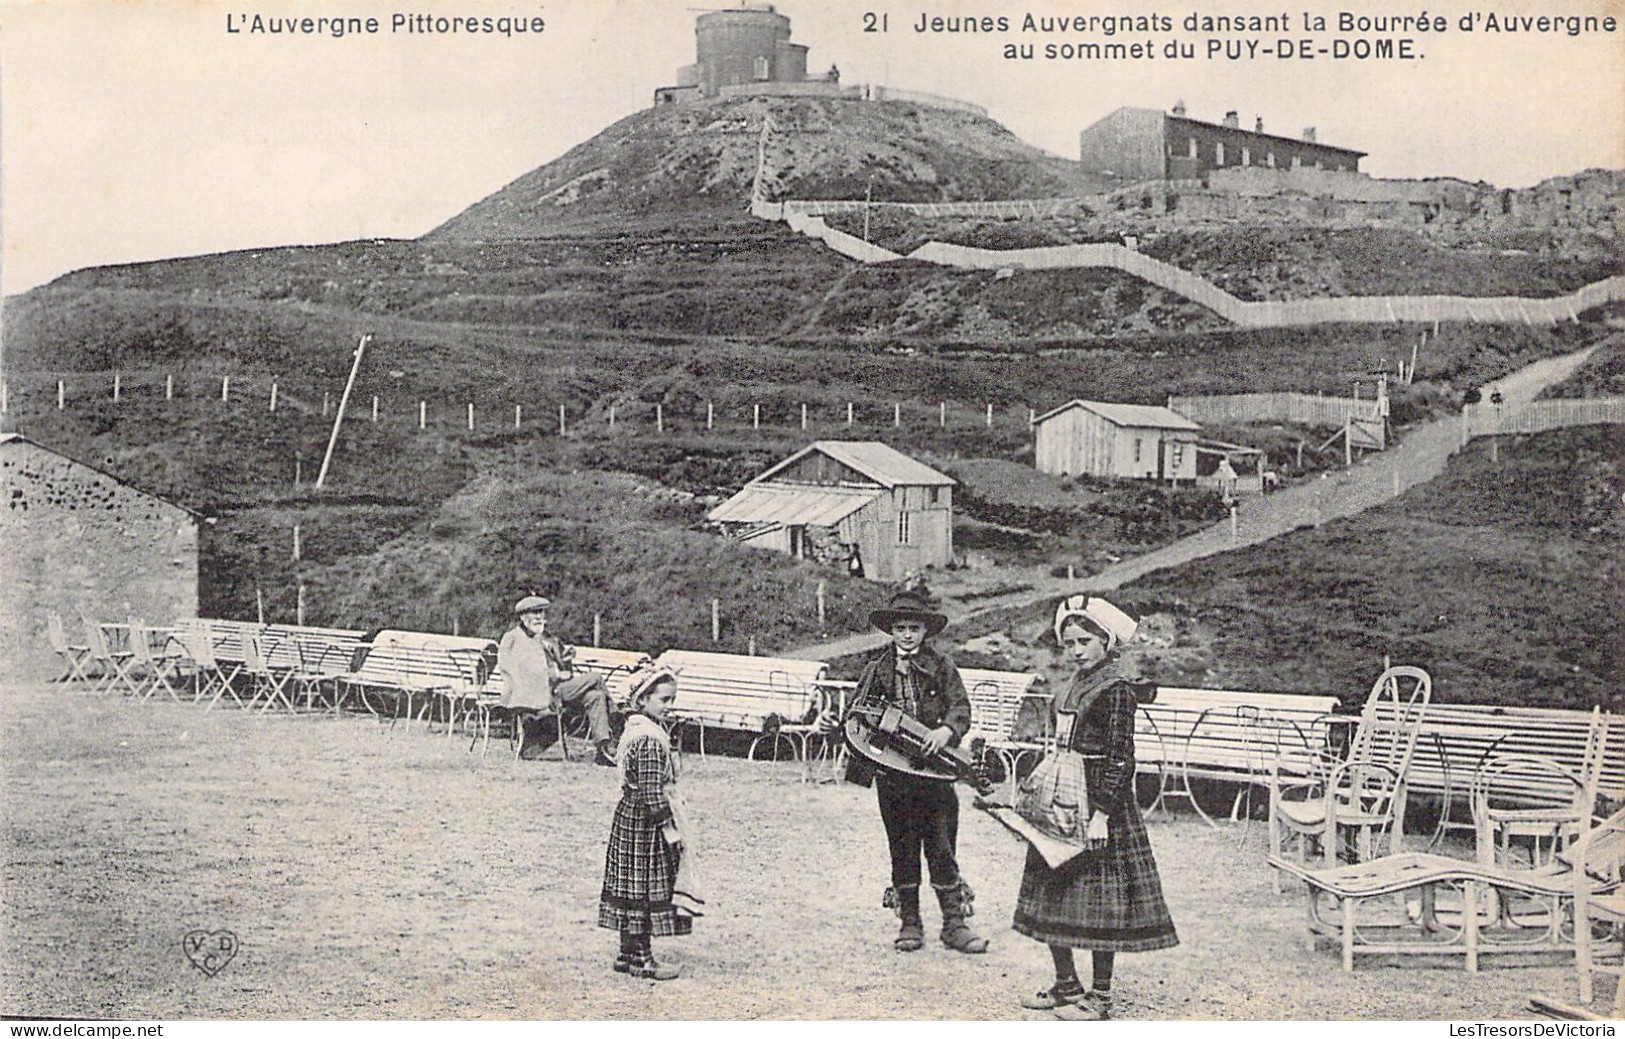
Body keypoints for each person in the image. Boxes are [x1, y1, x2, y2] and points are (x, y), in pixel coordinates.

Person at [1014, 595, 1178, 1020]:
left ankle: (1100, 996)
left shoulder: (1117, 689)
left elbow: (1123, 757)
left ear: (1106, 641)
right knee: (1053, 888)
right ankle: (1066, 984)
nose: (1077, 650)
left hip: (1101, 802)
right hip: (1063, 797)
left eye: (1085, 641)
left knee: (1100, 900)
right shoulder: (1073, 684)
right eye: (1070, 643)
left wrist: (1102, 813)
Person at [834, 587, 987, 955]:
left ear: (925, 631)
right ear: (891, 630)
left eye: (914, 628)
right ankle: (910, 923)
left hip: (934, 774)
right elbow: (857, 716)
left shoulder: (942, 665)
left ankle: (954, 924)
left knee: (940, 845)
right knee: (902, 847)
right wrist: (840, 725)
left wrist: (945, 731)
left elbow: (961, 707)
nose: (906, 634)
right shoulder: (876, 669)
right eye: (900, 627)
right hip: (894, 775)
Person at [598, 667, 703, 980]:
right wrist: (671, 831)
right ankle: (641, 959)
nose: (668, 705)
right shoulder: (648, 739)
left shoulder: (639, 730)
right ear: (642, 699)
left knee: (631, 884)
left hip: (631, 817)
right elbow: (651, 790)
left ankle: (626, 953)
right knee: (642, 887)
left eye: (672, 699)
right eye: (663, 699)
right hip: (645, 823)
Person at [497, 595, 616, 765]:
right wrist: (556, 676)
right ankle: (618, 719)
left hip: (559, 691)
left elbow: (559, 664)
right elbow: (513, 669)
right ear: (523, 617)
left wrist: (566, 658)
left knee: (596, 696)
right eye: (534, 613)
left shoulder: (546, 638)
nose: (539, 617)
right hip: (540, 694)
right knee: (595, 677)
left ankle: (602, 750)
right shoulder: (513, 638)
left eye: (542, 613)